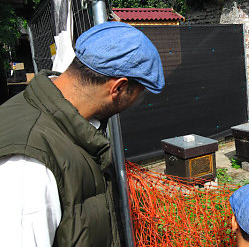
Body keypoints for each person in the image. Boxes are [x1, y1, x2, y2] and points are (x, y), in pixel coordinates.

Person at [0, 22, 165, 246]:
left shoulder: (70, 124)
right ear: (118, 88)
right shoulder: (27, 165)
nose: (138, 101)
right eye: (140, 92)